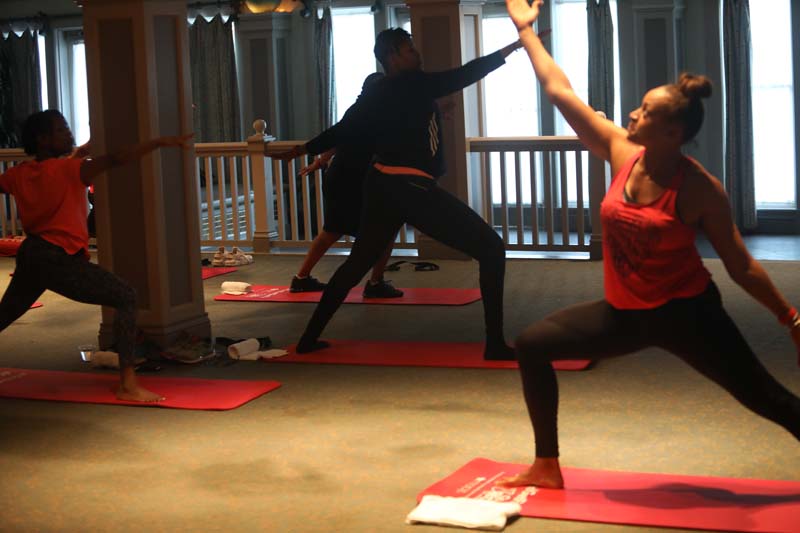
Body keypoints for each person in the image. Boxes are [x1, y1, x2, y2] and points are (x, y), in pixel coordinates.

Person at [499, 0, 800, 489]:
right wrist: (526, 31)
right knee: (533, 346)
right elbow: (560, 91)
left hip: (687, 315)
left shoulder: (700, 189)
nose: (632, 114)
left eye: (645, 112)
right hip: (624, 314)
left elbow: (741, 265)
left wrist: (790, 319)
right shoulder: (622, 151)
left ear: (673, 132)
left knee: (770, 400)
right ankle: (546, 466)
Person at [276, 29, 523, 359]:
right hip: (411, 189)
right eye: (409, 49)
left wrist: (303, 149)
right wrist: (513, 47)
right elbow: (464, 74)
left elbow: (344, 129)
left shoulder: (382, 91)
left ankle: (308, 339)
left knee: (357, 264)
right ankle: (495, 345)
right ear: (392, 57)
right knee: (491, 248)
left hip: (382, 186)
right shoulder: (413, 83)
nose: (416, 53)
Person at [0, 110, 193, 403]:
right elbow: (116, 159)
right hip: (59, 258)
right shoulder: (71, 170)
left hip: (32, 255)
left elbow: (50, 173)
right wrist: (157, 142)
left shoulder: (19, 174)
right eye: (61, 129)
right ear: (42, 139)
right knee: (126, 296)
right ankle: (128, 385)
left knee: (5, 314)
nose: (68, 132)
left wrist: (82, 151)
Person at [290, 72, 402, 299]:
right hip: (353, 179)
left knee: (332, 230)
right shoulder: (377, 114)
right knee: (386, 229)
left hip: (342, 177)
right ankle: (375, 283)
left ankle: (301, 278)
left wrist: (320, 161)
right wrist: (320, 160)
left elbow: (339, 138)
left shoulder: (358, 110)